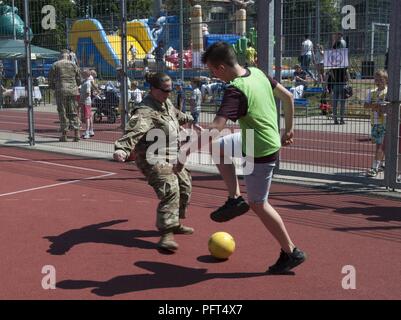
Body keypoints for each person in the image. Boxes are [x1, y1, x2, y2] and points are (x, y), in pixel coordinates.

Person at [175, 42, 306, 274]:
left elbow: (216, 127)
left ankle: (291, 251)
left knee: (258, 203)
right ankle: (234, 197)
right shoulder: (256, 72)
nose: (212, 75)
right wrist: (289, 129)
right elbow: (288, 97)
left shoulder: (235, 90)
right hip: (257, 139)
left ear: (222, 67)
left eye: (212, 71)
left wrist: (185, 152)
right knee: (218, 148)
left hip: (261, 150)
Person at [113, 72, 198, 251]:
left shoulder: (164, 102)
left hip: (171, 155)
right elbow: (133, 131)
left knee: (185, 185)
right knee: (170, 188)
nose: (169, 94)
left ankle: (174, 222)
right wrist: (122, 148)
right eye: (165, 90)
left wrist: (190, 119)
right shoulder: (145, 111)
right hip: (152, 157)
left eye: (171, 90)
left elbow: (175, 114)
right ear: (153, 89)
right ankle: (166, 233)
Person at [48, 50, 81, 142]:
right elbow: (79, 78)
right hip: (73, 90)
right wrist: (75, 85)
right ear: (68, 56)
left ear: (60, 56)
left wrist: (54, 87)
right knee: (73, 111)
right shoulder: (73, 65)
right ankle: (76, 133)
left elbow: (50, 79)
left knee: (63, 112)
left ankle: (64, 135)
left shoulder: (55, 65)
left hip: (61, 90)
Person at [364, 70, 388, 177]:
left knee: (380, 145)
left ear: (386, 80)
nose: (378, 81)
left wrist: (380, 107)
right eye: (376, 79)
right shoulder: (372, 92)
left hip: (386, 122)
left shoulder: (389, 92)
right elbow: (365, 105)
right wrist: (375, 106)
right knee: (382, 145)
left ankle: (374, 167)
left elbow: (389, 106)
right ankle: (382, 164)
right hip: (375, 122)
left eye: (380, 79)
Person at [330, 32, 349, 125]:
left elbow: (331, 70)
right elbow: (346, 71)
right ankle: (340, 119)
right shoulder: (343, 57)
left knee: (336, 102)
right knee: (341, 102)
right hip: (341, 82)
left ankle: (336, 119)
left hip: (337, 82)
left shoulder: (333, 59)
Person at [79, 69, 95, 139]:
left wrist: (81, 100)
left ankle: (87, 131)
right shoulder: (85, 81)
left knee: (87, 117)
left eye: (83, 74)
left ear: (86, 75)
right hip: (86, 102)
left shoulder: (87, 83)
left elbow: (88, 93)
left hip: (86, 102)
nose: (81, 75)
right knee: (89, 116)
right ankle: (90, 130)